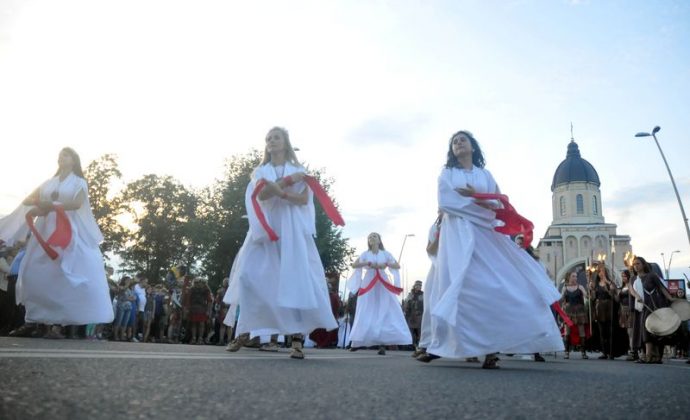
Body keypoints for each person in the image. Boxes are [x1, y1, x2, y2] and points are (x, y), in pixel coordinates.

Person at [420, 130, 563, 369]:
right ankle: (442, 344)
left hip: (484, 236)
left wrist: (477, 197)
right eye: (454, 142)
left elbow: (497, 203)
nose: (458, 143)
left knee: (490, 287)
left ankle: (490, 349)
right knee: (458, 289)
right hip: (457, 238)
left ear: (472, 147)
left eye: (463, 140)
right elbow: (447, 203)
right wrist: (480, 207)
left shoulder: (485, 175)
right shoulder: (447, 174)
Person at [225, 127, 338, 359]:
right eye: (268, 138)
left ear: (285, 142)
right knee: (248, 276)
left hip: (291, 228)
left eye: (276, 138)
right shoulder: (260, 171)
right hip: (265, 227)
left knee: (294, 279)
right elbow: (262, 195)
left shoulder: (299, 170)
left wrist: (281, 189)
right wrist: (288, 182)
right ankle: (246, 329)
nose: (272, 141)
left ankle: (296, 339)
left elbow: (303, 199)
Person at [0, 147, 114, 337]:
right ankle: (33, 321)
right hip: (45, 230)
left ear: (74, 160)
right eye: (60, 155)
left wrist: (52, 205)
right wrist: (38, 204)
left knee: (62, 275)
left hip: (67, 230)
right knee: (34, 272)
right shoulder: (49, 183)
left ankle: (56, 325)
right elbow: (29, 199)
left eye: (66, 155)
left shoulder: (79, 182)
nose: (61, 157)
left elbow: (77, 204)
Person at [346, 233, 412, 355]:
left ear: (379, 240)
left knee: (384, 310)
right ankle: (356, 342)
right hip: (369, 282)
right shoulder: (365, 254)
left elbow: (397, 265)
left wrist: (386, 264)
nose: (371, 238)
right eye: (370, 237)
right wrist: (367, 264)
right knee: (364, 309)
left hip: (382, 282)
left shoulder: (385, 254)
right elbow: (354, 265)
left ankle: (382, 344)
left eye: (374, 236)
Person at [629, 256, 674, 364]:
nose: (636, 266)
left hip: (652, 305)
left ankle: (653, 356)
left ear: (643, 264)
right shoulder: (633, 279)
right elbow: (631, 290)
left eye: (638, 264)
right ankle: (648, 355)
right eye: (634, 264)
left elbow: (661, 288)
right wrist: (637, 296)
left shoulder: (651, 276)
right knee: (643, 330)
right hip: (641, 306)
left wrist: (671, 298)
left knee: (652, 329)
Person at [560, 271, 589, 360]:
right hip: (568, 311)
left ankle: (583, 352)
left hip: (579, 311)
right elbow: (562, 299)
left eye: (576, 276)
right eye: (573, 276)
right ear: (569, 277)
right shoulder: (565, 288)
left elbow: (587, 296)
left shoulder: (580, 287)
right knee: (567, 331)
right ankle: (566, 352)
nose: (575, 278)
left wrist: (589, 289)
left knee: (581, 331)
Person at [404, 280, 424, 349]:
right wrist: (406, 310)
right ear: (415, 286)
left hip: (419, 315)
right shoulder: (410, 294)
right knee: (411, 330)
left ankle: (420, 344)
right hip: (411, 315)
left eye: (420, 285)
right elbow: (406, 304)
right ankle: (411, 344)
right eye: (418, 285)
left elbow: (425, 304)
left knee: (419, 331)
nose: (419, 287)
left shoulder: (422, 295)